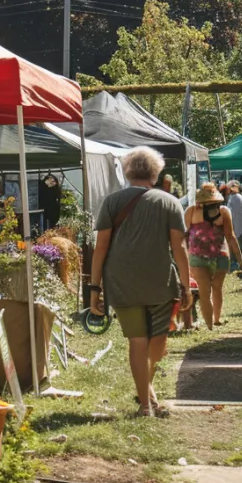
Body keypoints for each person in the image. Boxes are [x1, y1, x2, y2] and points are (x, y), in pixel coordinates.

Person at [89, 147, 192, 417]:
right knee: (157, 341)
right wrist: (186, 282)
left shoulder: (112, 202)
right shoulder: (168, 202)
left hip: (121, 282)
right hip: (159, 281)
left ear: (127, 172)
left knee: (139, 342)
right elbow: (179, 248)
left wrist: (94, 289)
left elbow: (100, 248)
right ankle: (147, 397)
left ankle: (146, 401)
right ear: (156, 174)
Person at [185, 183, 242, 329]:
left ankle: (215, 321)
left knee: (212, 288)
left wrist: (241, 260)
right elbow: (186, 235)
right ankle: (211, 324)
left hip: (217, 255)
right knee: (208, 291)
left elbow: (230, 236)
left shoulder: (221, 211)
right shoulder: (193, 211)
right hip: (202, 256)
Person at [225, 181, 242, 270]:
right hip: (241, 227)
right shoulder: (236, 197)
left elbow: (229, 214)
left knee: (238, 248)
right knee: (240, 248)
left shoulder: (235, 198)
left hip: (238, 228)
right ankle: (240, 265)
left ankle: (238, 265)